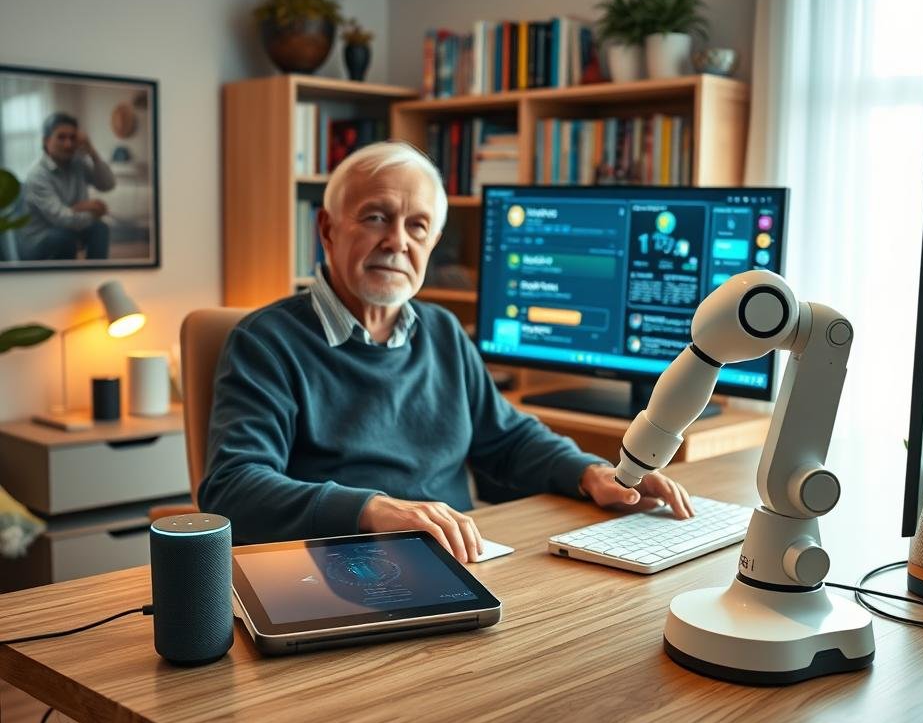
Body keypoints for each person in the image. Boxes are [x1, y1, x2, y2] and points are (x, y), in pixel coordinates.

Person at [199, 141, 694, 562]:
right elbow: (233, 487)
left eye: (417, 227)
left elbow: (508, 439)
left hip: (459, 559)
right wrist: (373, 510)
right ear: (327, 229)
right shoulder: (266, 341)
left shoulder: (442, 331)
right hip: (336, 568)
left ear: (432, 242)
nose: (396, 242)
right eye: (375, 217)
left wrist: (593, 473)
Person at [19, 112, 114, 261]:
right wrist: (93, 212)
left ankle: (95, 275)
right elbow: (62, 219)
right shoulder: (37, 175)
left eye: (72, 138)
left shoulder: (78, 162)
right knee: (64, 237)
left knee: (101, 229)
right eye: (61, 137)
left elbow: (108, 184)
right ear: (46, 141)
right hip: (38, 241)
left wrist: (92, 152)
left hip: (68, 228)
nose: (68, 144)